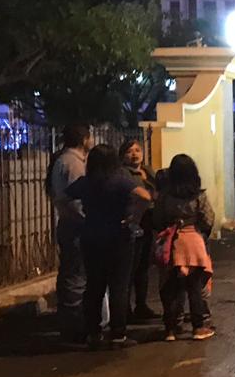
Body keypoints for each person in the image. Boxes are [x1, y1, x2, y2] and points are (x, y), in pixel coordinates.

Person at [67, 144, 152, 348]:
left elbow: (63, 196)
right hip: (119, 237)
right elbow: (145, 196)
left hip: (91, 236)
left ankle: (93, 333)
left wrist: (75, 217)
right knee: (119, 286)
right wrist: (133, 217)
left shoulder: (86, 182)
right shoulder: (119, 179)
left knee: (94, 286)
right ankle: (118, 333)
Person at [154, 154, 216, 341]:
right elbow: (208, 218)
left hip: (172, 242)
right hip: (193, 242)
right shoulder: (198, 194)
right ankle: (198, 327)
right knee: (194, 287)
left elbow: (157, 219)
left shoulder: (164, 196)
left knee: (172, 287)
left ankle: (171, 329)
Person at [49, 124, 92, 344]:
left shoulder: (63, 161)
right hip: (75, 226)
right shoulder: (73, 163)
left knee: (71, 274)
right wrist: (90, 220)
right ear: (84, 139)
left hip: (68, 224)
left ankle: (71, 323)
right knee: (76, 276)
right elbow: (76, 200)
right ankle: (74, 327)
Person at [120, 139, 159, 321]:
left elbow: (158, 191)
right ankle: (125, 308)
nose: (135, 154)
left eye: (137, 150)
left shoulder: (148, 171)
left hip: (148, 221)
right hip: (133, 221)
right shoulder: (123, 174)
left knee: (144, 266)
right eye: (130, 151)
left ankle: (141, 305)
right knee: (130, 266)